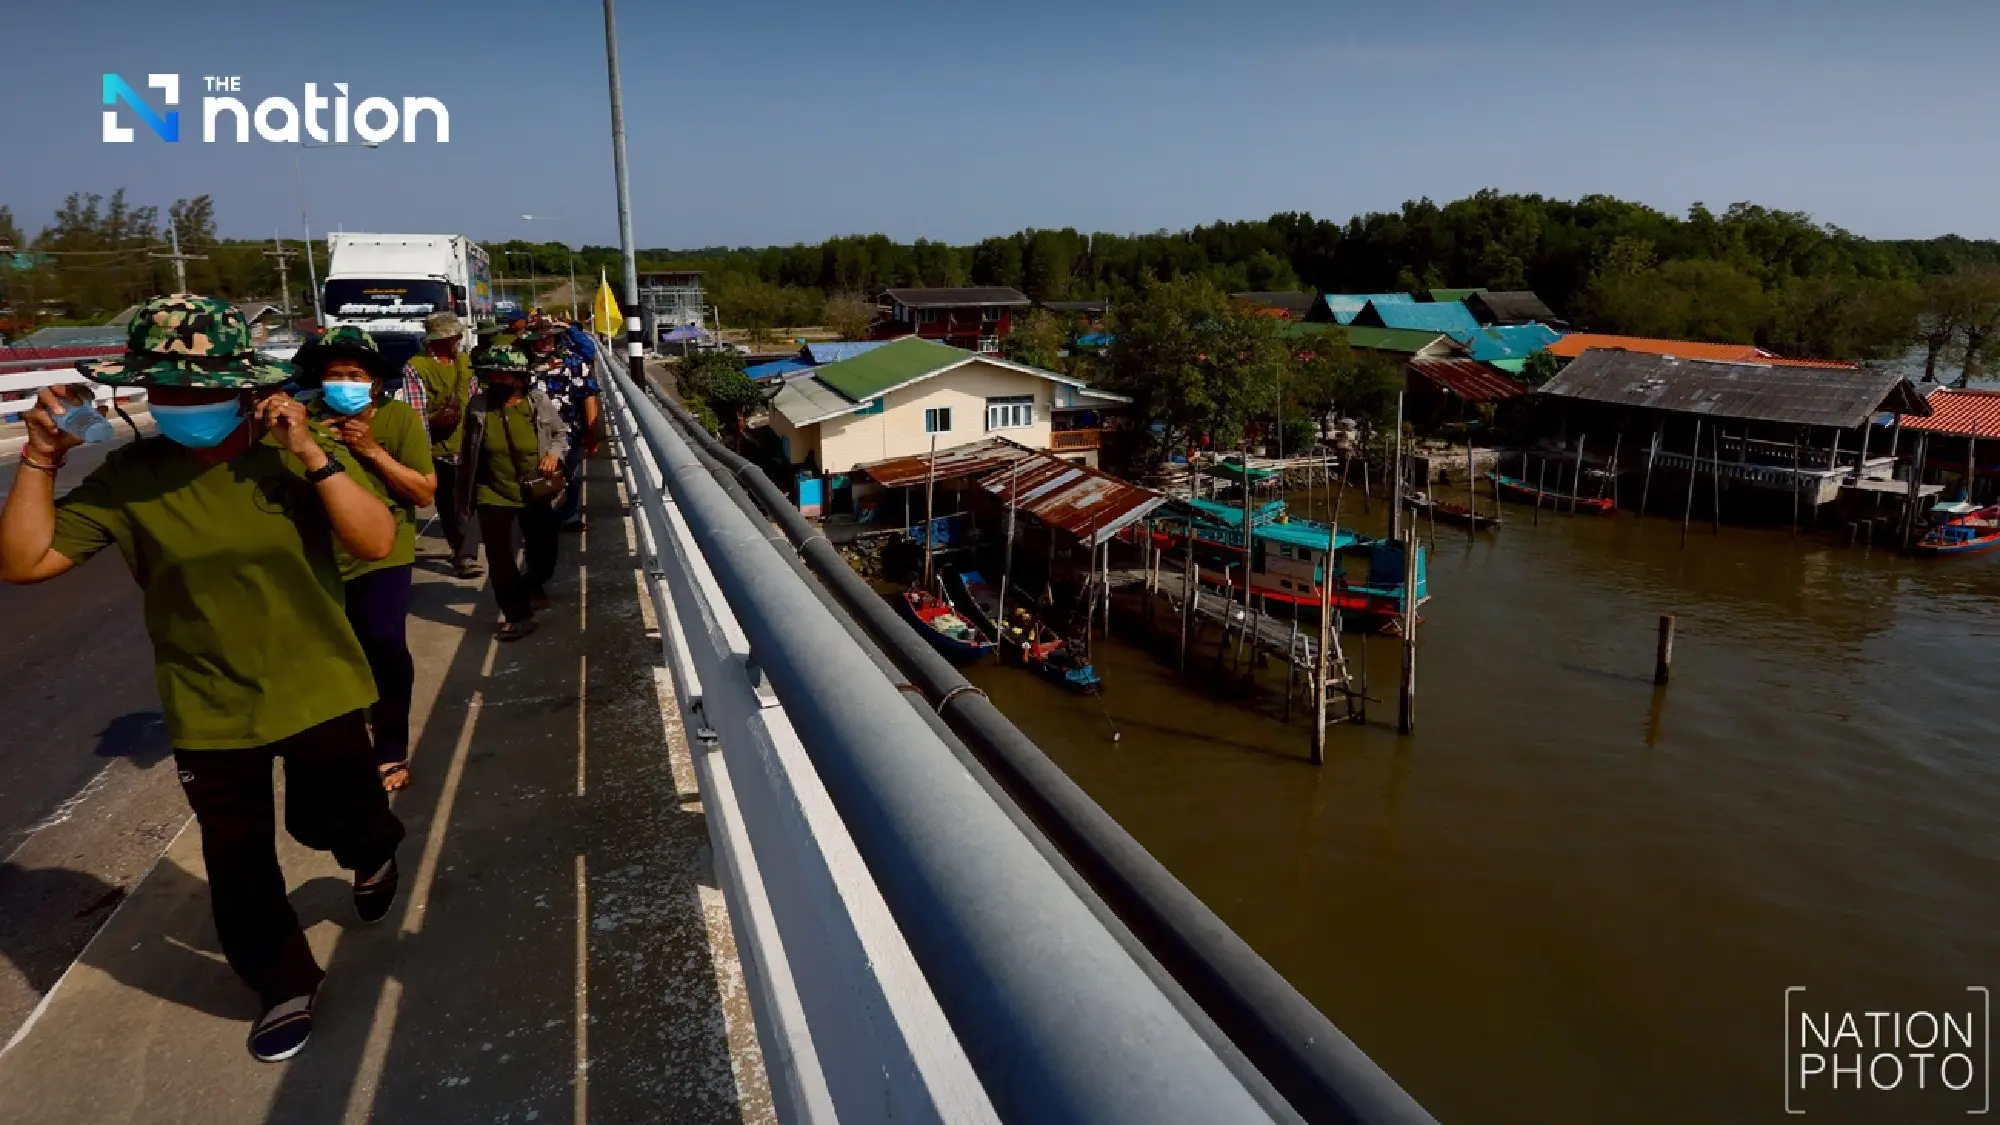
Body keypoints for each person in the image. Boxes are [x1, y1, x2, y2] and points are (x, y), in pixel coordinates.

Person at [0, 295, 405, 1063]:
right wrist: (41, 459)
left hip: (318, 683)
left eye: (199, 390)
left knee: (335, 819)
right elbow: (25, 561)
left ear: (246, 386)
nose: (181, 405)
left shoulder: (293, 452)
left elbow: (377, 536)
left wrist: (313, 455)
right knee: (237, 855)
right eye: (166, 390)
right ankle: (282, 980)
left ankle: (373, 848)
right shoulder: (131, 477)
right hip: (208, 703)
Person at [297, 326, 437, 793]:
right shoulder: (302, 422)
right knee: (333, 651)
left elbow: (422, 491)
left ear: (376, 381)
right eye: (334, 374)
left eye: (355, 374)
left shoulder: (397, 420)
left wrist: (371, 451)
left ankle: (390, 747)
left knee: (383, 642)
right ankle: (347, 735)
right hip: (317, 554)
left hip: (383, 553)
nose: (344, 383)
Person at [458, 342, 568, 640]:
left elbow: (561, 433)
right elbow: (468, 450)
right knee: (499, 556)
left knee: (544, 551)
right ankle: (518, 615)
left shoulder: (537, 403)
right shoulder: (478, 407)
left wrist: (553, 455)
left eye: (502, 375)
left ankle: (533, 583)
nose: (494, 381)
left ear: (519, 379)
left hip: (535, 490)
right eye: (489, 375)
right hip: (492, 492)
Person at [398, 311, 482, 578]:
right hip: (439, 449)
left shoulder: (464, 361)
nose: (458, 338)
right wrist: (420, 456)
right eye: (453, 335)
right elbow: (417, 413)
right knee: (448, 502)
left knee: (472, 499)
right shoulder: (416, 367)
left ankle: (466, 553)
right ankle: (460, 551)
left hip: (469, 442)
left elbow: (475, 399)